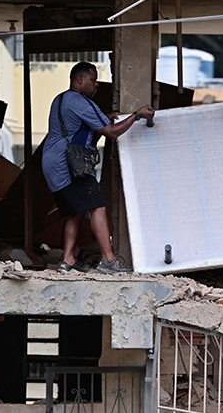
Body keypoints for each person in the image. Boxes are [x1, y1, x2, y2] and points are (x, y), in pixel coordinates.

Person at [41, 61, 154, 274]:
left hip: (52, 163)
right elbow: (111, 132)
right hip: (72, 165)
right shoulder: (82, 102)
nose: (97, 84)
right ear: (79, 80)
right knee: (97, 206)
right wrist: (136, 116)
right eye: (93, 80)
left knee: (76, 212)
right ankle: (109, 261)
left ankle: (68, 260)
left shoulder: (61, 99)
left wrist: (105, 118)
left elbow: (78, 124)